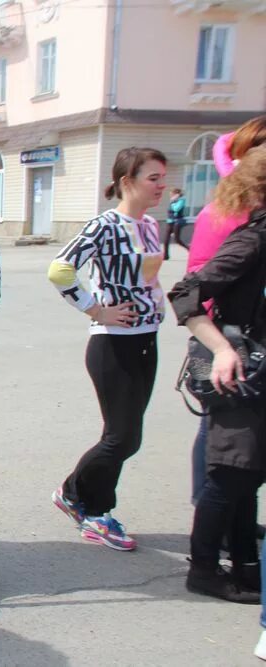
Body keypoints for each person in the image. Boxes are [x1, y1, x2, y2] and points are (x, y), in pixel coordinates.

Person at [48, 147, 167, 552]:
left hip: (146, 340)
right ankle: (82, 500)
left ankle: (89, 502)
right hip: (113, 345)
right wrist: (95, 308)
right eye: (153, 178)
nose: (161, 185)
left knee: (126, 436)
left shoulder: (150, 225)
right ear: (126, 181)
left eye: (162, 177)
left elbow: (147, 280)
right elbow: (60, 268)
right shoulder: (106, 225)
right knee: (121, 437)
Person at [167, 147, 266, 611]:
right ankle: (203, 570)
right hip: (245, 375)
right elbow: (187, 292)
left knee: (248, 476)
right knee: (230, 475)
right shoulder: (254, 238)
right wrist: (222, 348)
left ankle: (245, 566)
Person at [187, 115, 266, 508]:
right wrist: (216, 343)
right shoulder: (221, 212)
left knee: (243, 447)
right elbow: (191, 287)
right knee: (217, 433)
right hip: (216, 340)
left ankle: (233, 526)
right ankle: (211, 516)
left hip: (249, 340)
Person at [164, 188, 189, 260]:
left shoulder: (181, 200)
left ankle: (190, 249)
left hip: (177, 222)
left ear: (177, 194)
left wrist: (173, 202)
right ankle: (166, 255)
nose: (171, 196)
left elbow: (176, 209)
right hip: (170, 222)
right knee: (166, 239)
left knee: (177, 240)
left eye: (172, 194)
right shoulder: (172, 201)